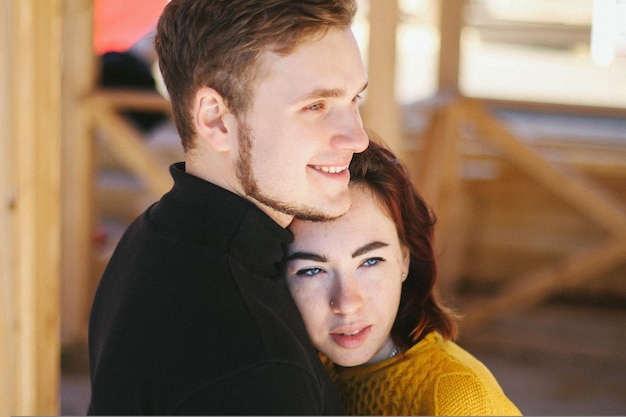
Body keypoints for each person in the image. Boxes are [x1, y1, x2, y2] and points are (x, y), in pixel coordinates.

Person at [87, 0, 369, 414]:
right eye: (316, 106)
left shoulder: (155, 234)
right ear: (216, 120)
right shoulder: (260, 368)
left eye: (354, 100)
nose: (357, 138)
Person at [285, 136, 522, 415]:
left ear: (404, 260)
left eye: (370, 261)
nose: (347, 302)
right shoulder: (304, 372)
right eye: (312, 270)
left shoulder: (454, 398)